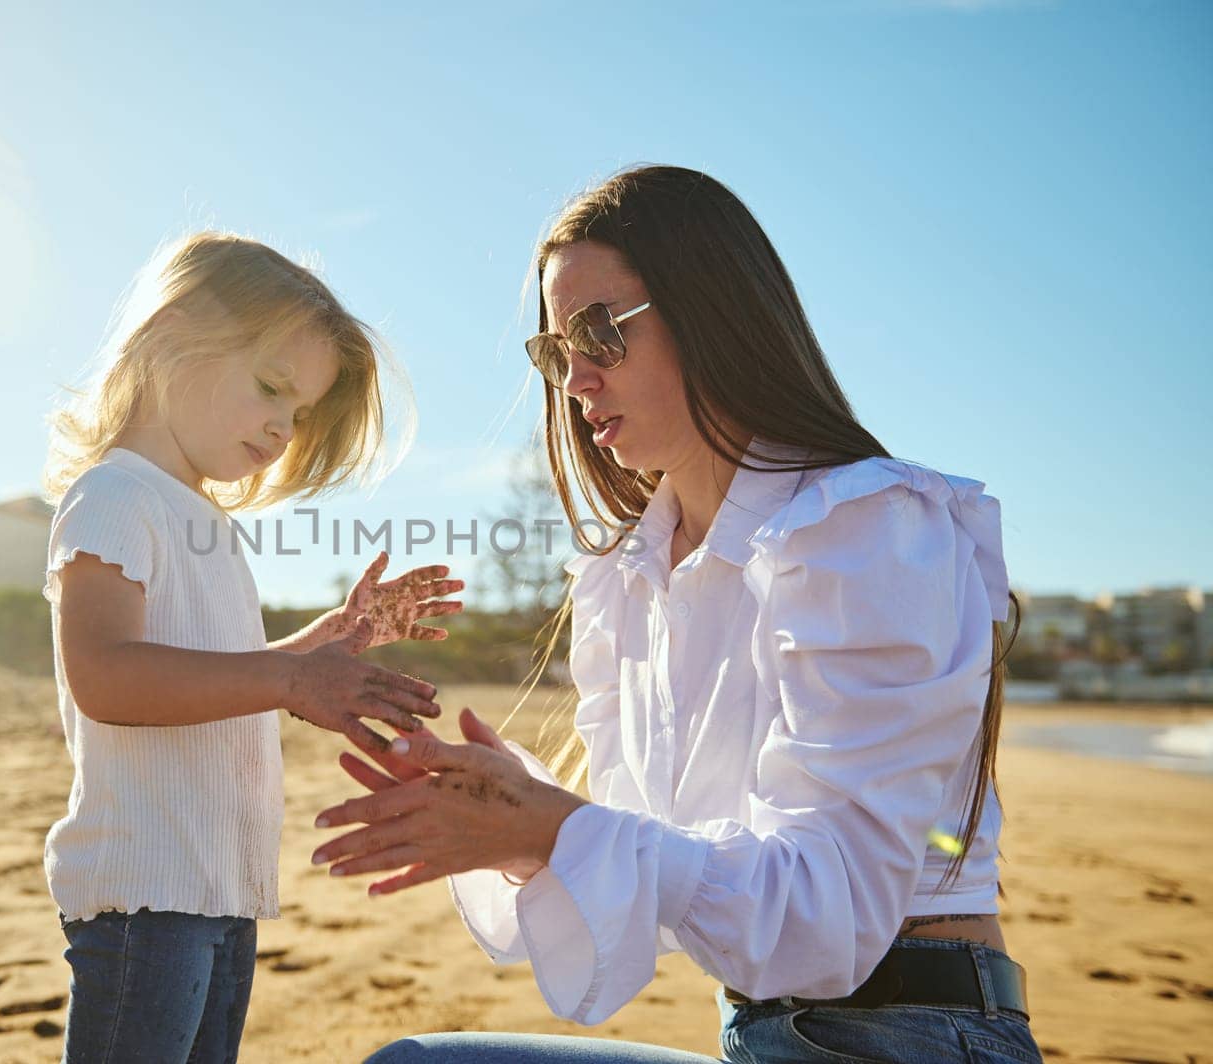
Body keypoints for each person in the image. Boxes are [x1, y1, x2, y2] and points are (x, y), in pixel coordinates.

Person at [311, 168, 1042, 1062]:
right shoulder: (629, 578)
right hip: (762, 1033)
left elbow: (829, 919)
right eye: (554, 350)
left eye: (598, 333)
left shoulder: (863, 526)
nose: (575, 380)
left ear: (713, 313)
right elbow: (652, 885)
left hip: (914, 1034)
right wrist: (513, 821)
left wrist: (555, 825)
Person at [41, 231, 463, 1064]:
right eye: (272, 388)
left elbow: (223, 668)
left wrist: (329, 642)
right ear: (170, 343)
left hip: (218, 888)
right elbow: (107, 676)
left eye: (300, 413)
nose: (282, 428)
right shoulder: (114, 496)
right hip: (145, 896)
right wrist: (291, 677)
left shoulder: (202, 518)